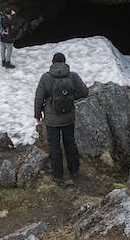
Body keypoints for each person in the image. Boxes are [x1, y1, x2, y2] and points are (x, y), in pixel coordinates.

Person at [34, 52, 89, 186]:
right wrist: (70, 97)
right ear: (65, 62)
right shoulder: (73, 76)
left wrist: (38, 115)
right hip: (68, 117)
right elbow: (84, 93)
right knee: (70, 142)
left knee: (54, 146)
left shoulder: (46, 78)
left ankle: (57, 175)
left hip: (52, 120)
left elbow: (39, 98)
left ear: (52, 63)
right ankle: (74, 170)